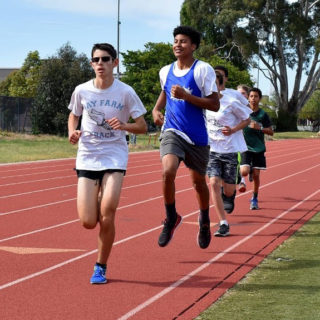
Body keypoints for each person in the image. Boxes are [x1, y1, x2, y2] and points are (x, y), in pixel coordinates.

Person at [68, 43, 147, 284]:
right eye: (96, 60)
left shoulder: (125, 92)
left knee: (108, 213)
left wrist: (124, 126)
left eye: (105, 59)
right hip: (88, 156)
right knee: (88, 221)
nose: (100, 63)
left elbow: (143, 127)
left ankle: (100, 266)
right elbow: (74, 114)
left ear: (115, 62)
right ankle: (99, 197)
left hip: (114, 155)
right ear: (91, 64)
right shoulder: (82, 90)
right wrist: (72, 131)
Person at [152, 25, 220, 249]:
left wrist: (186, 96)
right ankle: (171, 217)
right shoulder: (165, 71)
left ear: (193, 46)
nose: (177, 45)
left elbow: (214, 104)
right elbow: (164, 92)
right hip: (172, 130)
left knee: (199, 183)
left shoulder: (203, 70)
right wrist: (156, 110)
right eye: (175, 41)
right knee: (167, 171)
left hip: (197, 135)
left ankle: (204, 220)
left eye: (183, 41)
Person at [206, 73, 251, 236]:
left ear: (219, 86)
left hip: (230, 150)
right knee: (213, 183)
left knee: (229, 189)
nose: (209, 88)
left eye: (212, 85)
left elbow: (246, 119)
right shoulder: (204, 103)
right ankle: (223, 223)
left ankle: (229, 196)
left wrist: (233, 130)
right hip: (212, 151)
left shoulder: (231, 102)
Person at [239, 87, 274, 209]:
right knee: (244, 171)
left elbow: (271, 132)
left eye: (256, 96)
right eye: (251, 96)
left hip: (258, 148)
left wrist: (260, 128)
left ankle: (254, 198)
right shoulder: (242, 111)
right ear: (248, 98)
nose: (253, 99)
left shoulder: (263, 115)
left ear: (259, 98)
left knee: (256, 175)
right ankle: (246, 173)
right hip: (245, 146)